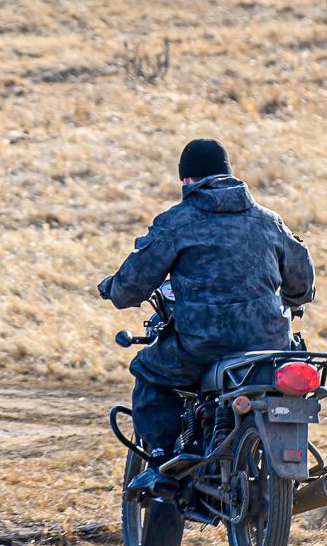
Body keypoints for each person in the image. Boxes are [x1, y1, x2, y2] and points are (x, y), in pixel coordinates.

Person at [97, 138, 314, 495]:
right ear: (229, 176)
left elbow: (133, 283)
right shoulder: (269, 221)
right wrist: (293, 298)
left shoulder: (177, 222)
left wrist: (113, 289)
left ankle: (162, 461)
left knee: (149, 371)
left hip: (202, 344)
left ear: (187, 181)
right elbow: (302, 282)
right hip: (270, 345)